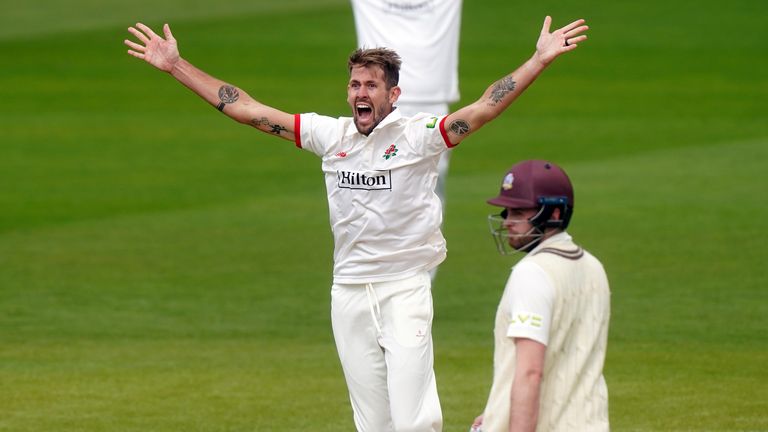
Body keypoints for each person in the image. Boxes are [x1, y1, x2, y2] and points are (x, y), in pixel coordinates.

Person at [124, 17, 589, 432]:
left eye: (370, 85)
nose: (360, 93)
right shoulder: (331, 136)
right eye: (354, 85)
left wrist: (539, 60)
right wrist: (176, 67)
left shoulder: (420, 137)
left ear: (393, 94)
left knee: (413, 421)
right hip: (347, 291)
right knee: (372, 423)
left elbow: (486, 106)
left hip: (404, 288)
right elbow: (248, 110)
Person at [471, 160, 610, 432]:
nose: (508, 221)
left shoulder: (532, 274)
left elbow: (530, 373)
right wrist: (498, 411)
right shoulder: (594, 267)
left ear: (554, 213)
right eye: (507, 211)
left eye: (520, 212)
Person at [350, 0, 462, 228]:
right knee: (375, 187)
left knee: (428, 190)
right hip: (378, 98)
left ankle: (424, 264)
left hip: (430, 101)